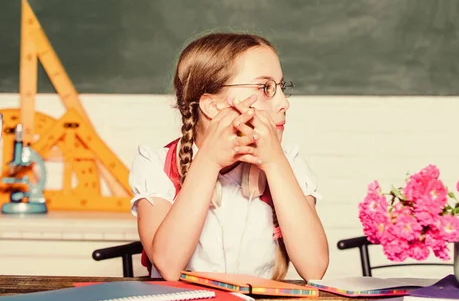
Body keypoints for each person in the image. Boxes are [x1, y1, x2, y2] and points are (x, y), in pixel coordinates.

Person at [128, 32, 329, 282]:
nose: (284, 102)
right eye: (266, 88)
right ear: (213, 106)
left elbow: (315, 267)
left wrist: (275, 163)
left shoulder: (289, 163)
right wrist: (209, 161)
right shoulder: (156, 165)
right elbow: (168, 265)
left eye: (281, 87)